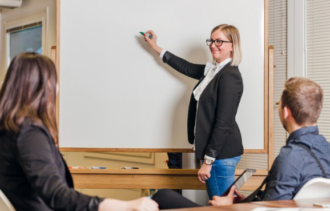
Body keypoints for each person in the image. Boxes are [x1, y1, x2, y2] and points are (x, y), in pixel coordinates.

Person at [0, 52, 159, 211]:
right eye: (54, 81)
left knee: (164, 197)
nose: (57, 88)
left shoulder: (9, 129)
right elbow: (57, 195)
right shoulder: (28, 134)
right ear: (44, 85)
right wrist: (125, 206)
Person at [152, 77, 330, 209]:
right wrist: (245, 201)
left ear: (285, 112)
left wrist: (229, 207)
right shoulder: (326, 150)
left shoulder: (290, 158)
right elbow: (279, 202)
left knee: (163, 196)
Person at [143, 24, 244, 199]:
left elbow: (223, 123)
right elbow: (186, 67)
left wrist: (208, 161)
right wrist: (155, 47)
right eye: (211, 40)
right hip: (218, 155)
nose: (213, 45)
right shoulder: (213, 70)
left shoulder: (229, 76)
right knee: (222, 204)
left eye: (219, 41)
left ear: (232, 45)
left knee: (220, 206)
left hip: (221, 155)